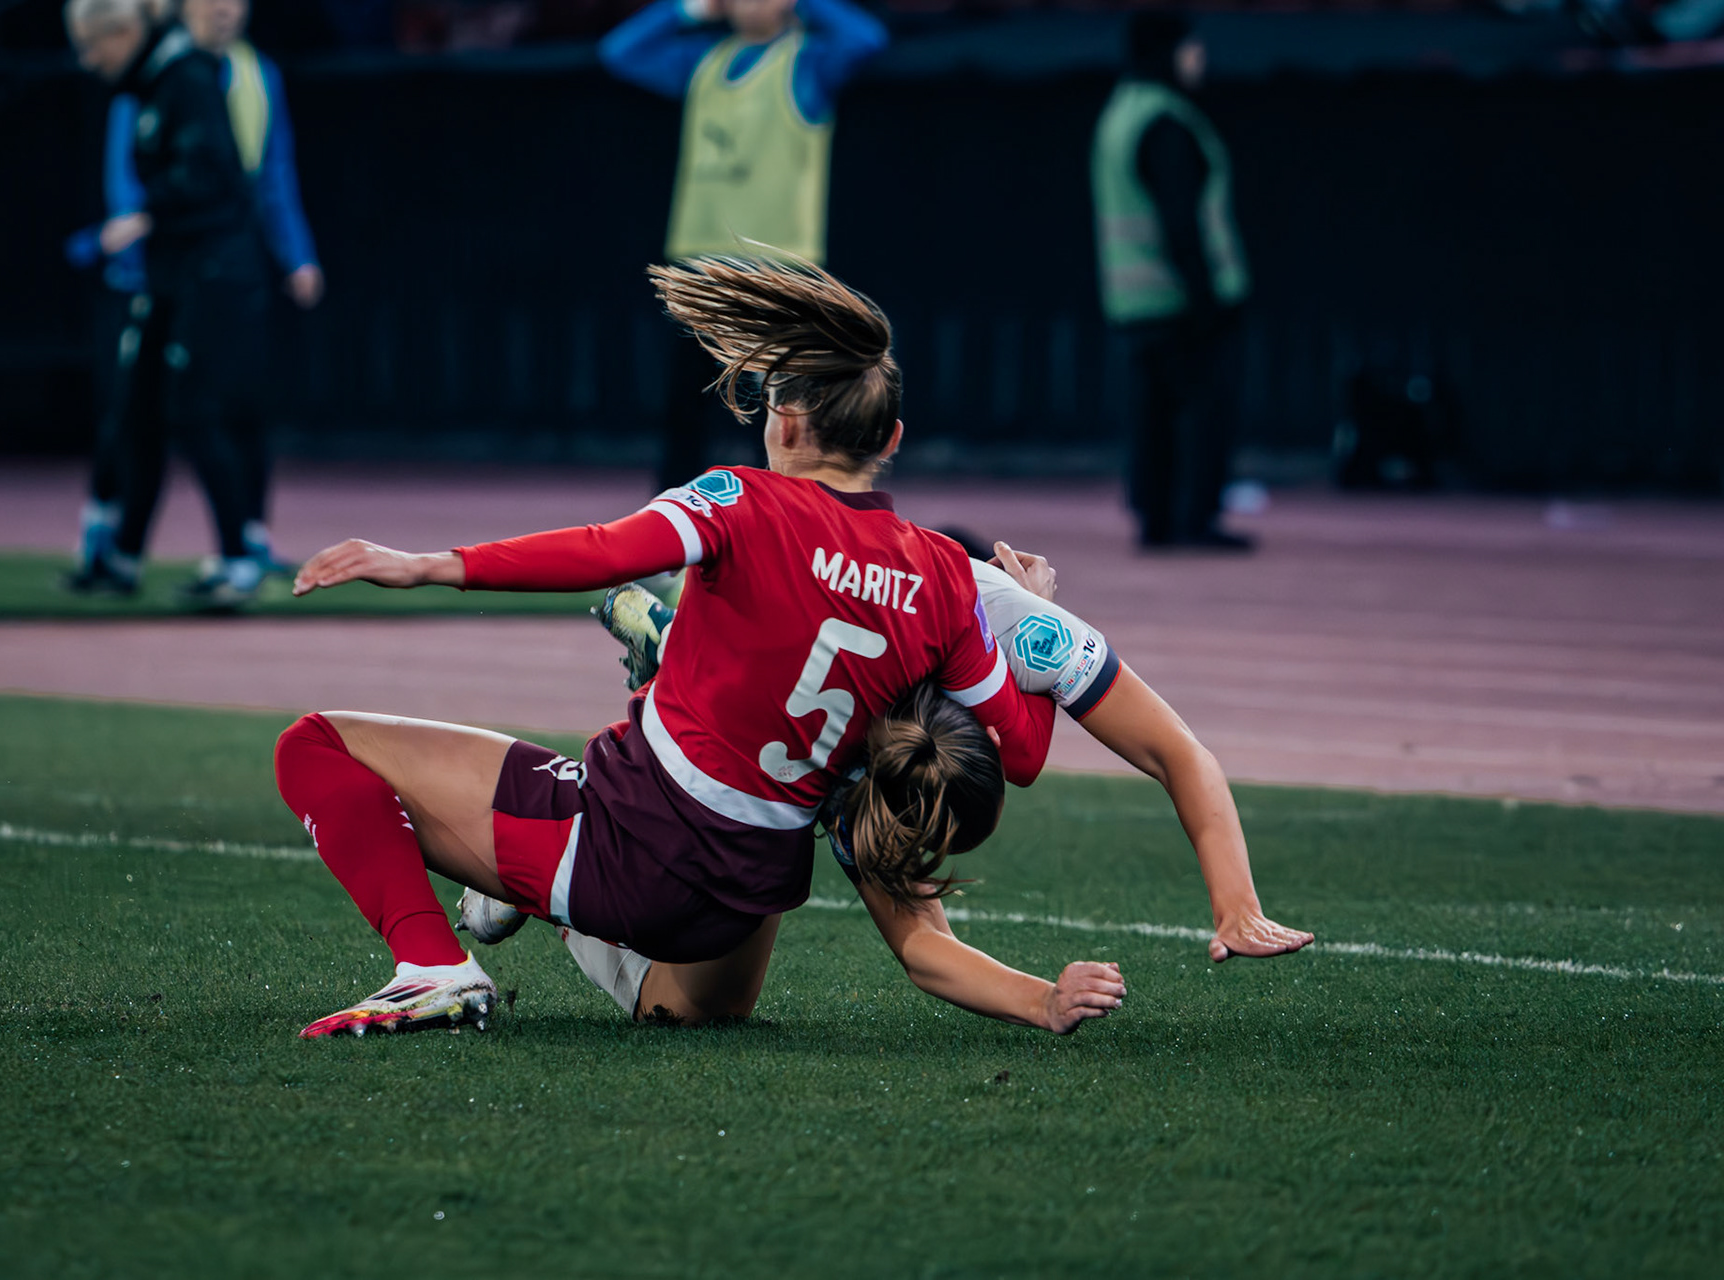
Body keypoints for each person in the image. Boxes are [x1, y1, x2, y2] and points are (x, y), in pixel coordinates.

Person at [278, 256, 1129, 1039]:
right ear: (893, 439)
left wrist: (430, 564)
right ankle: (645, 701)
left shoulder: (740, 499)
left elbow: (603, 552)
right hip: (738, 901)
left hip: (622, 851)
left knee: (312, 746)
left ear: (785, 423)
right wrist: (1035, 623)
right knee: (679, 1013)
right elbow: (1019, 754)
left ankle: (434, 965)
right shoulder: (944, 574)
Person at [466, 542, 1313, 1024]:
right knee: (725, 813)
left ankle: (551, 899)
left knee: (698, 1015)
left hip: (879, 683)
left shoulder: (1030, 640)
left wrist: (1234, 905)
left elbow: (1177, 752)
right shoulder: (837, 748)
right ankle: (657, 661)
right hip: (767, 674)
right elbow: (922, 940)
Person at [67, 0, 320, 582]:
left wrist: (295, 254)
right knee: (139, 408)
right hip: (167, 271)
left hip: (214, 271)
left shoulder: (194, 78)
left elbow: (240, 177)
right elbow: (138, 177)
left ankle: (238, 550)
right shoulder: (153, 80)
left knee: (205, 409)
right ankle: (117, 551)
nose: (88, 60)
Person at [600, 0, 886, 493]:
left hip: (776, 266)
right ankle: (670, 530)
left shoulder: (806, 62)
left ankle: (773, 523)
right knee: (686, 411)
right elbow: (619, 52)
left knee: (774, 413)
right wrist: (690, 10)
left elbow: (868, 39)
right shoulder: (703, 62)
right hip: (701, 261)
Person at [1091, 13, 1253, 552]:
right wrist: (1207, 300)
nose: (1199, 57)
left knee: (1150, 419)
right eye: (1191, 46)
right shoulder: (1167, 120)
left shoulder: (1119, 115)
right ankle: (1194, 519)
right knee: (1201, 418)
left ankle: (1155, 516)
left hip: (1130, 300)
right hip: (1180, 302)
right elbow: (1181, 221)